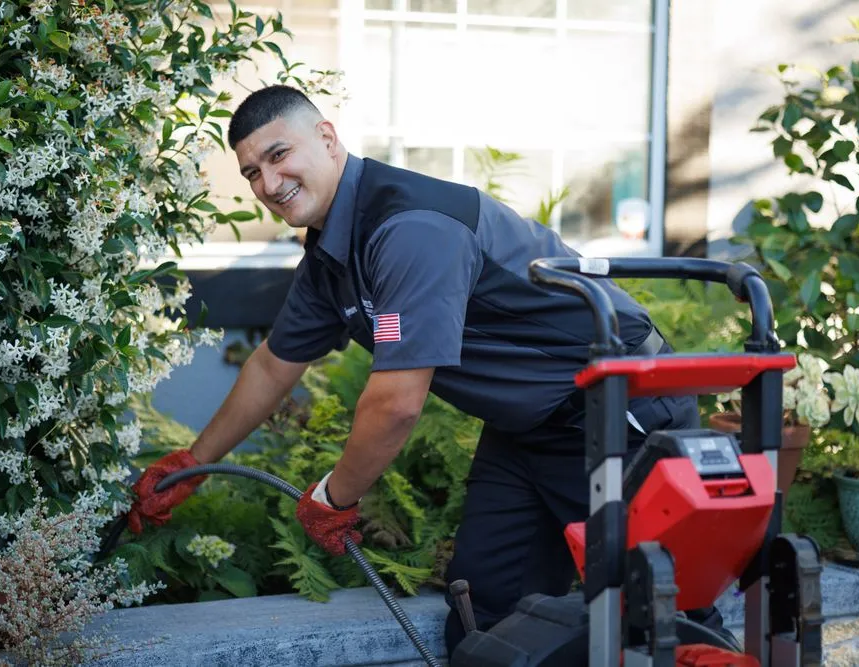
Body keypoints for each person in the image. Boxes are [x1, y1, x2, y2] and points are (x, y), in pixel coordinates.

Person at [127, 85, 732, 655]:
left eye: (279, 155)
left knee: (662, 616)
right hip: (527, 428)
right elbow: (271, 367)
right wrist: (190, 467)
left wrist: (336, 497)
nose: (268, 181)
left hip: (616, 408)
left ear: (329, 139)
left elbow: (396, 403)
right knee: (486, 616)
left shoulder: (408, 228)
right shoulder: (333, 249)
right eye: (252, 171)